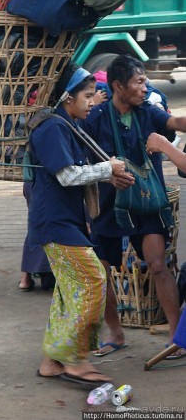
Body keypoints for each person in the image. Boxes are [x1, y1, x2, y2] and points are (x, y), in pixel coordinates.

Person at [81, 54, 186, 358]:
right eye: (139, 82)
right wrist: (107, 176)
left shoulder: (149, 112)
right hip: (107, 204)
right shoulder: (97, 117)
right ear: (118, 86)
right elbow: (84, 163)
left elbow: (176, 122)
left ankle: (176, 335)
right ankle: (115, 333)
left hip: (148, 202)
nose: (145, 87)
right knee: (103, 273)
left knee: (158, 265)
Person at [28, 63, 125, 385]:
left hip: (65, 220)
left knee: (69, 292)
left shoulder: (66, 124)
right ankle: (76, 360)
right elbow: (68, 176)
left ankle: (51, 361)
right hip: (54, 221)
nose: (91, 101)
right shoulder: (53, 127)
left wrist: (107, 172)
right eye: (86, 96)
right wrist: (107, 168)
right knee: (92, 280)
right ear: (68, 97)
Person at [19, 182, 55, 292]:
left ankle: (25, 277)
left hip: (32, 181)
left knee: (37, 226)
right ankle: (27, 278)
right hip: (50, 183)